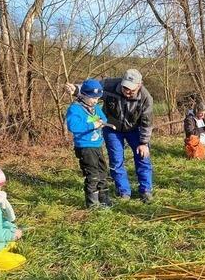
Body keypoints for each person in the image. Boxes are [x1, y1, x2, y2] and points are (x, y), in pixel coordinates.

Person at [66, 69, 154, 203]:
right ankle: (123, 192)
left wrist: (144, 143)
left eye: (131, 89)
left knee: (143, 158)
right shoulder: (110, 84)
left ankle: (146, 190)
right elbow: (91, 88)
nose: (127, 91)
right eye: (125, 87)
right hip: (112, 128)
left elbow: (147, 122)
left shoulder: (146, 98)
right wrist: (76, 89)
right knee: (116, 160)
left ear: (139, 85)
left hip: (135, 129)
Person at [66, 79, 111, 208]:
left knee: (102, 172)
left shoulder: (95, 108)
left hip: (97, 145)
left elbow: (103, 118)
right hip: (85, 147)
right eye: (92, 98)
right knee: (92, 175)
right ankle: (93, 204)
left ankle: (104, 199)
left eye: (97, 98)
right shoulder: (75, 109)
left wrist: (99, 121)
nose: (95, 101)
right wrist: (92, 124)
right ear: (83, 95)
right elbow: (73, 126)